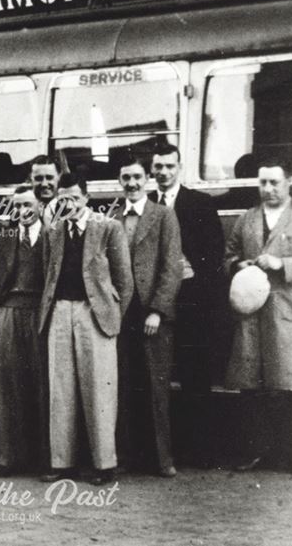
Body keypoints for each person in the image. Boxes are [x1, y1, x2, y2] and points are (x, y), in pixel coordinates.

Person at [39, 173, 132, 485]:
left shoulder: (107, 227)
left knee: (100, 389)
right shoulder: (52, 232)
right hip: (60, 310)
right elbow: (47, 275)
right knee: (60, 389)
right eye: (62, 200)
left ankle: (104, 465)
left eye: (74, 199)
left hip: (95, 314)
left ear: (86, 198)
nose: (68, 205)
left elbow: (125, 280)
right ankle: (62, 463)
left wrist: (112, 314)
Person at [225, 161, 292, 475]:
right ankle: (254, 452)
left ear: (289, 183)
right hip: (253, 314)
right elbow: (229, 253)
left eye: (275, 182)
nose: (268, 189)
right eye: (263, 183)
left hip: (291, 314)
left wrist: (281, 263)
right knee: (252, 387)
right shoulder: (246, 219)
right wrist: (239, 264)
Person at [149, 144, 224, 468]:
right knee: (158, 377)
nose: (163, 172)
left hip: (193, 301)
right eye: (158, 167)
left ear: (179, 167)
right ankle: (162, 451)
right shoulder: (146, 204)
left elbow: (215, 254)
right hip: (157, 304)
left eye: (169, 166)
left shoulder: (200, 203)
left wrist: (191, 267)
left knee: (195, 375)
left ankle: (201, 451)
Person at [115, 157, 182, 478]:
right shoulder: (112, 218)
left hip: (152, 315)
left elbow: (171, 268)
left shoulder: (163, 216)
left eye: (137, 177)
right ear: (119, 181)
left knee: (156, 389)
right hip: (119, 315)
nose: (131, 183)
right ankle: (126, 457)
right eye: (126, 177)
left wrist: (157, 310)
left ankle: (162, 460)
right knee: (123, 386)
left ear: (147, 180)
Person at [0, 185, 46, 477]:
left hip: (40, 314)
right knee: (9, 386)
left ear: (40, 206)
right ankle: (8, 458)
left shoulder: (51, 235)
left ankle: (44, 459)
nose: (22, 211)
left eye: (27, 205)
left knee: (42, 385)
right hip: (8, 313)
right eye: (17, 206)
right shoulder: (5, 235)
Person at [29, 156, 62, 227]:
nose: (44, 184)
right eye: (38, 178)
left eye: (49, 178)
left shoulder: (71, 210)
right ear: (30, 179)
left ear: (59, 177)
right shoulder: (20, 211)